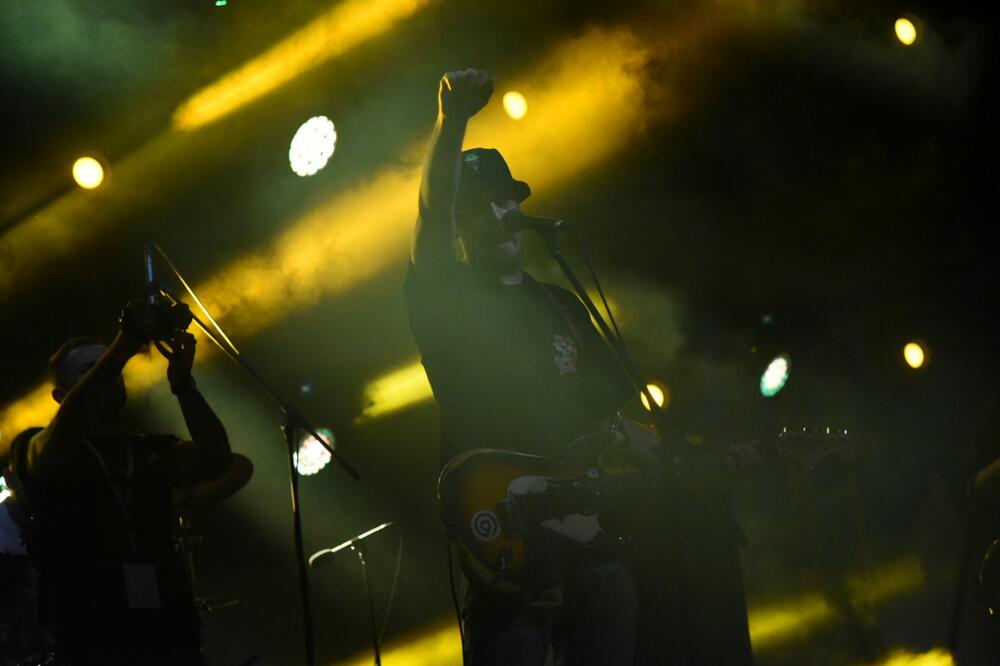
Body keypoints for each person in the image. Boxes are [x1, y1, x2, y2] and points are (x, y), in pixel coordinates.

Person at [405, 68, 761, 666]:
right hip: (506, 526)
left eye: (504, 200)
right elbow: (429, 213)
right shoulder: (447, 299)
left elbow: (610, 421)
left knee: (615, 589)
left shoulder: (559, 304)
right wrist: (453, 122)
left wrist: (694, 459)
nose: (497, 215)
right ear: (458, 226)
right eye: (478, 208)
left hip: (584, 533)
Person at [6, 301, 233, 665]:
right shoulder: (35, 445)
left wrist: (184, 386)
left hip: (169, 636)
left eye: (112, 367)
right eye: (90, 370)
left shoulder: (148, 447)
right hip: (91, 639)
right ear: (61, 396)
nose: (109, 374)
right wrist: (123, 346)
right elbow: (51, 447)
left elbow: (217, 460)